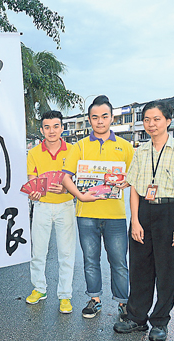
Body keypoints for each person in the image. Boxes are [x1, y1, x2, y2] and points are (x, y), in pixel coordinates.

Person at [62, 95, 134, 319]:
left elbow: (135, 176)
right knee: (90, 261)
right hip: (86, 215)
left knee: (119, 262)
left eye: (104, 116)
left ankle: (123, 303)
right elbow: (65, 178)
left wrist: (126, 182)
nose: (100, 121)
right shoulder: (80, 147)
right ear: (89, 120)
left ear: (111, 118)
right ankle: (95, 299)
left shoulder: (125, 146)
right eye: (95, 117)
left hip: (115, 216)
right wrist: (80, 197)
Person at [113, 101, 174, 341]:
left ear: (168, 121)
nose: (151, 124)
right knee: (139, 267)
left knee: (167, 270)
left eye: (156, 119)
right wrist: (135, 221)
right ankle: (136, 318)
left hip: (169, 212)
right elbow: (135, 189)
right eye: (147, 119)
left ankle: (160, 321)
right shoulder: (141, 151)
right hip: (143, 213)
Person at [25, 111, 77, 314]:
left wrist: (66, 189)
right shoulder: (33, 153)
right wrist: (33, 193)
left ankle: (65, 296)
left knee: (66, 253)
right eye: (47, 127)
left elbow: (79, 179)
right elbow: (32, 181)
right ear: (41, 130)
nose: (51, 131)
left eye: (56, 126)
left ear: (62, 128)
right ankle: (39, 288)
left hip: (65, 206)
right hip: (42, 207)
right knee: (38, 252)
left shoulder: (73, 150)